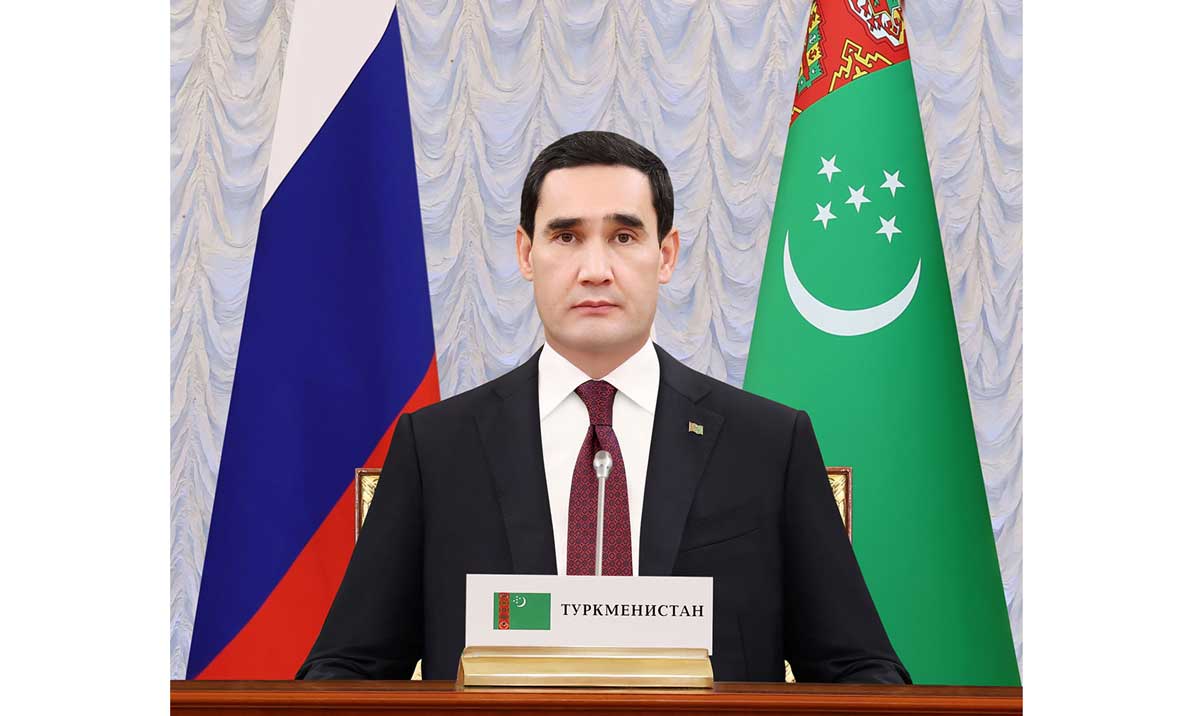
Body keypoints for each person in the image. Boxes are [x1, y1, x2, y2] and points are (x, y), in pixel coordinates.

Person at [297, 131, 909, 683]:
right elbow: (346, 668)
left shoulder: (768, 443)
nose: (595, 270)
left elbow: (860, 669)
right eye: (566, 237)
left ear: (665, 255)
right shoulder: (437, 447)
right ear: (526, 254)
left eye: (623, 236)